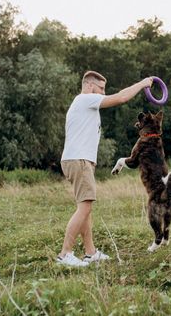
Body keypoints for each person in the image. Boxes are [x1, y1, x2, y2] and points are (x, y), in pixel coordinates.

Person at [57, 71, 153, 267]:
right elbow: (122, 97)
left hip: (78, 160)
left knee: (86, 208)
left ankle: (90, 253)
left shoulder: (84, 104)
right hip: (79, 160)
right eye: (101, 88)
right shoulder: (86, 99)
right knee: (85, 207)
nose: (103, 92)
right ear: (90, 86)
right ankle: (65, 254)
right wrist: (143, 84)